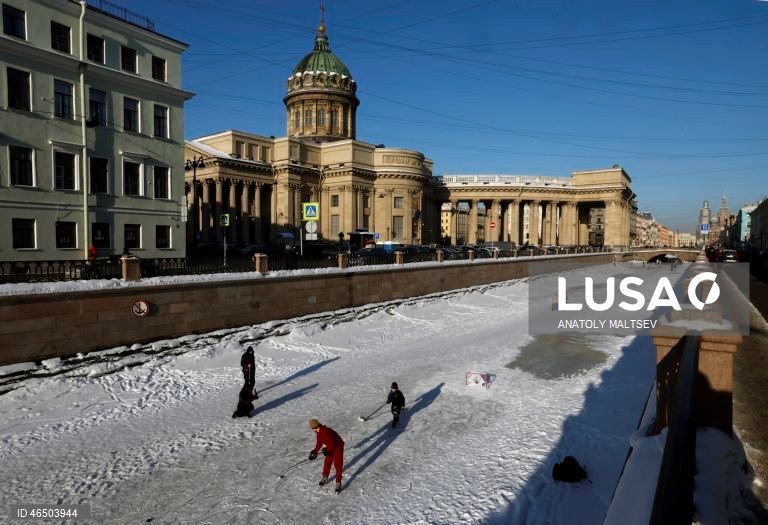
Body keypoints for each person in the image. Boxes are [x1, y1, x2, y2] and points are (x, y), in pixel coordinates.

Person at [308, 419, 345, 493]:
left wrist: (327, 450)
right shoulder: (318, 432)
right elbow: (319, 443)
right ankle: (325, 477)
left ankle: (338, 482)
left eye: (313, 428)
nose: (313, 430)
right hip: (330, 447)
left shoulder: (325, 431)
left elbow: (332, 444)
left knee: (338, 464)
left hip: (338, 447)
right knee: (327, 462)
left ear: (315, 427)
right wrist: (314, 452)